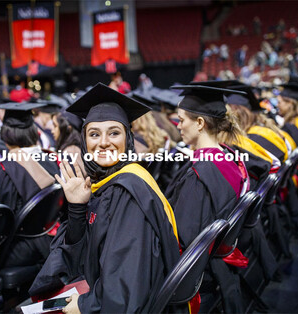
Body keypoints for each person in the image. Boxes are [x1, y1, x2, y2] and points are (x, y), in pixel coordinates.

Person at [29, 83, 184, 313]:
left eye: (114, 132)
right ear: (84, 141)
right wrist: (77, 208)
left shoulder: (127, 193)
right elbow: (81, 255)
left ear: (127, 139)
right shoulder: (105, 182)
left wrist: (84, 305)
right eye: (94, 134)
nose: (103, 142)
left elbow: (126, 289)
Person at [165, 85, 250, 313]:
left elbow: (182, 240)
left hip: (196, 275)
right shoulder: (230, 157)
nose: (178, 125)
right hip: (217, 263)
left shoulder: (199, 176)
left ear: (200, 123)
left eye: (182, 120)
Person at [0, 102, 60, 267]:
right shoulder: (52, 158)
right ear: (34, 132)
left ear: (5, 135)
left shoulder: (5, 170)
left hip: (23, 248)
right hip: (53, 238)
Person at [51, 109, 85, 174]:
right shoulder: (78, 147)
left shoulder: (68, 154)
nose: (52, 131)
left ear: (67, 128)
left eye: (55, 126)